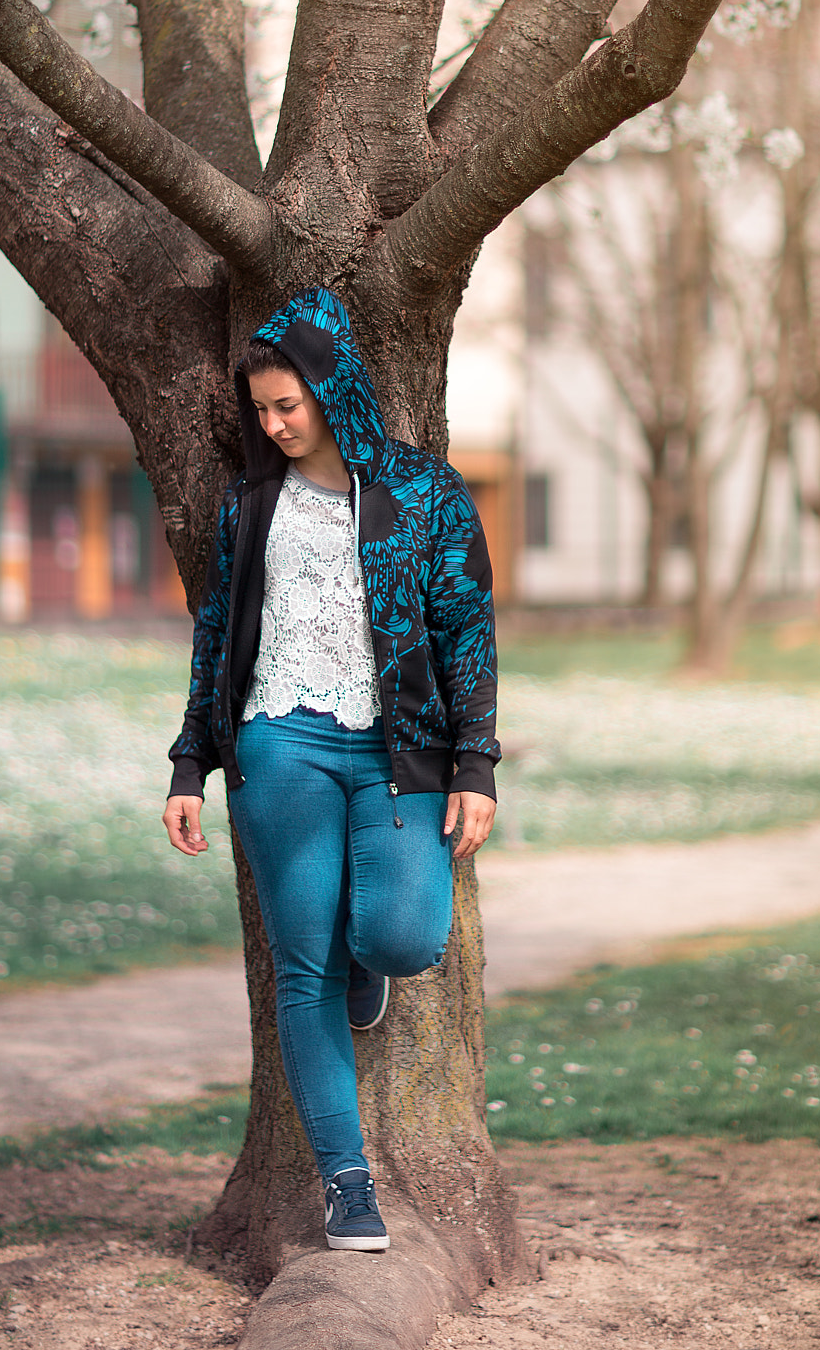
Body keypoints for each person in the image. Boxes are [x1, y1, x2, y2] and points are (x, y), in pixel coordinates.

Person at [162, 286, 499, 1254]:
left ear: (330, 388)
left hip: (402, 749)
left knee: (401, 936)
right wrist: (193, 760)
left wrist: (474, 759)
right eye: (260, 410)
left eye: (287, 406)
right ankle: (347, 1183)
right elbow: (219, 634)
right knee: (301, 970)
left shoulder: (425, 491)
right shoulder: (249, 505)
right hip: (281, 740)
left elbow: (465, 627)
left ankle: (366, 950)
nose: (272, 424)